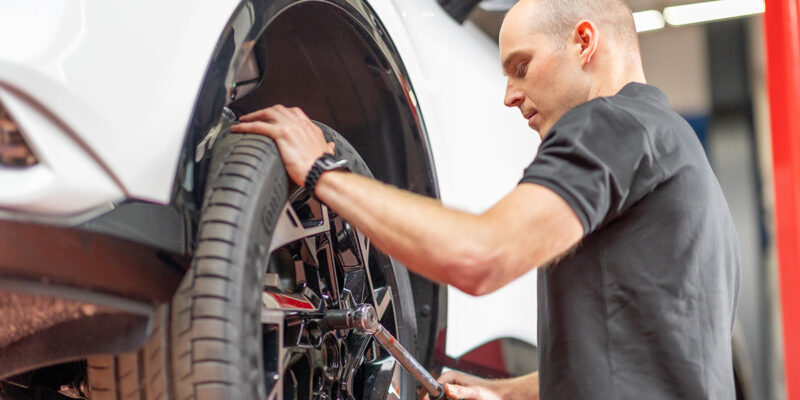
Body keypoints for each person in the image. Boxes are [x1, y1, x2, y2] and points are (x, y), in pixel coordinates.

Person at [231, 0, 741, 398]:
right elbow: (640, 361)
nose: (509, 95)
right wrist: (504, 393)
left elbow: (481, 257)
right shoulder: (683, 159)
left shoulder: (607, 122)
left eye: (521, 66)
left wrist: (324, 173)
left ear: (584, 42)